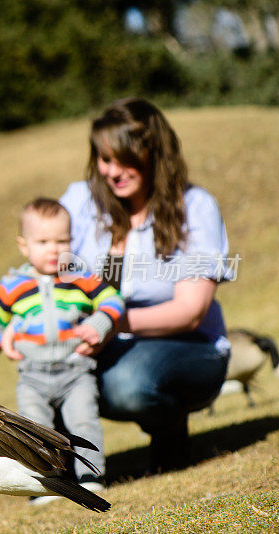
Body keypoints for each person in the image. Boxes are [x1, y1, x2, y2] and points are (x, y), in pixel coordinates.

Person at [59, 97, 233, 472]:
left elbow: (190, 311)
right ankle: (64, 472)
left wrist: (108, 322)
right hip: (99, 341)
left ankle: (169, 429)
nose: (113, 171)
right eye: (104, 159)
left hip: (187, 345)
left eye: (125, 158)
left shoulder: (195, 206)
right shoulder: (79, 202)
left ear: (155, 152)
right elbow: (49, 270)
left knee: (127, 383)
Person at [0, 198, 125, 493]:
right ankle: (47, 485)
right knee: (36, 432)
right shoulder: (12, 284)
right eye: (43, 241)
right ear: (24, 245)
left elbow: (113, 300)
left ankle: (90, 478)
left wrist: (98, 324)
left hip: (76, 372)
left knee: (84, 422)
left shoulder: (80, 277)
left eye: (62, 240)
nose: (54, 249)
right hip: (32, 376)